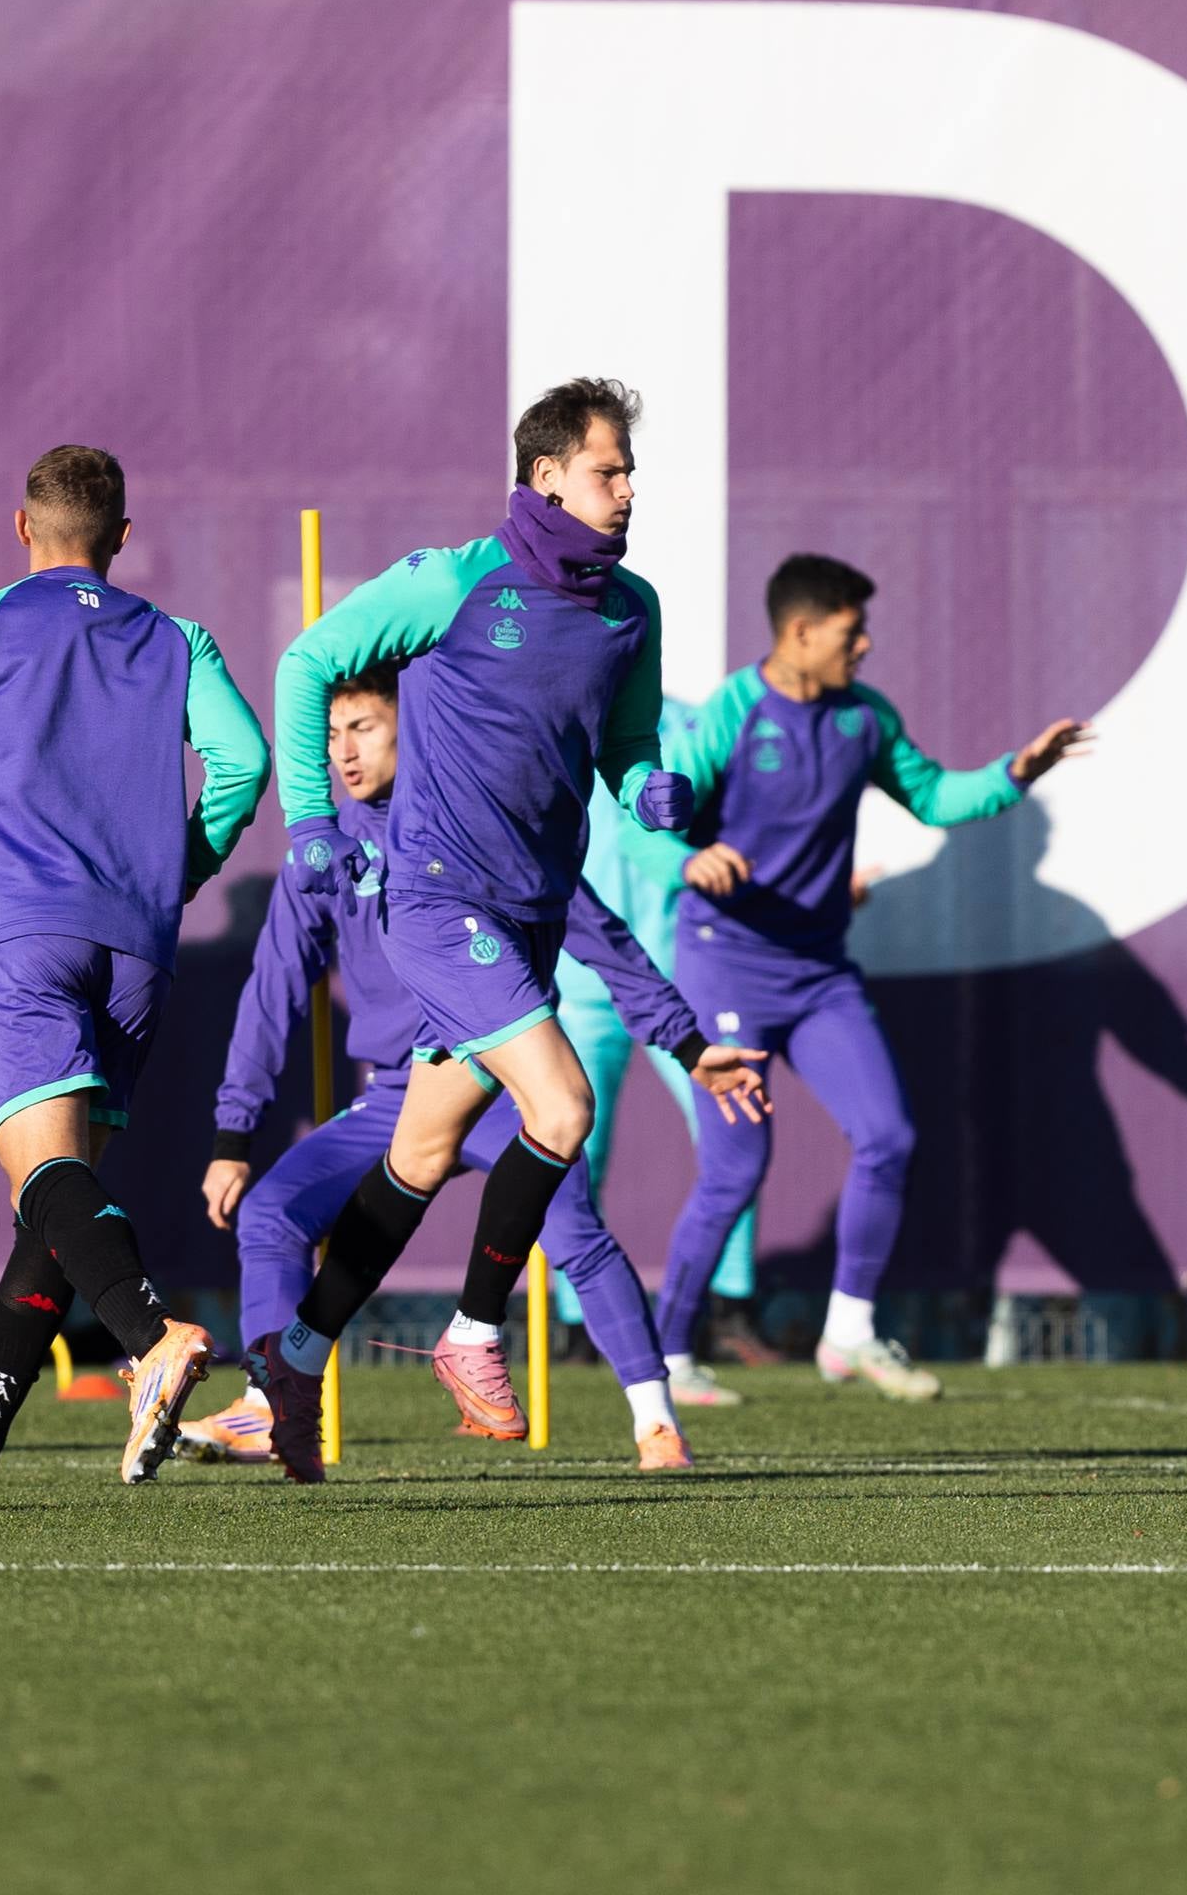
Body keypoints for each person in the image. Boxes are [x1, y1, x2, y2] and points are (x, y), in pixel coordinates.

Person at [254, 378, 701, 1481]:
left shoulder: (631, 608)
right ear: (546, 477)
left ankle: (295, 1359)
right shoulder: (455, 580)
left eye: (629, 470)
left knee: (418, 1153)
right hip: (439, 902)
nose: (628, 489)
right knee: (564, 1107)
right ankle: (471, 1334)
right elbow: (306, 663)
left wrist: (646, 789)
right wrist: (309, 818)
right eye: (607, 470)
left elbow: (626, 746)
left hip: (532, 912)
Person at [186, 665, 762, 1475]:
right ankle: (266, 1405)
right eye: (332, 734)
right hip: (397, 1094)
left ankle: (656, 1423)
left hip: (497, 1084)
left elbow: (604, 939)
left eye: (364, 729)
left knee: (575, 1231)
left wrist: (687, 1043)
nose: (343, 752)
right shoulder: (324, 851)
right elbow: (272, 992)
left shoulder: (485, 831)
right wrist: (233, 1135)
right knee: (272, 1213)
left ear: (413, 727)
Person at [0, 444, 272, 1501]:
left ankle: (151, 1339)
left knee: (48, 1183)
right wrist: (184, 865)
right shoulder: (178, 638)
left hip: (28, 933)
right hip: (137, 948)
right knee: (54, 1207)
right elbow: (243, 762)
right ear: (121, 537)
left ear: (21, 527)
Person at [652, 553, 1089, 1403]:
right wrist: (686, 856)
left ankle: (847, 1334)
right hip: (726, 966)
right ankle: (667, 1357)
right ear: (800, 632)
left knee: (888, 1137)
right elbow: (657, 812)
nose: (866, 645)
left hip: (820, 973)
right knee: (736, 1169)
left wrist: (1017, 772)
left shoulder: (865, 717)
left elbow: (936, 797)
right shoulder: (732, 713)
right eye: (852, 632)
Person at [551, 694, 762, 1405]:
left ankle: (728, 1310)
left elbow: (747, 821)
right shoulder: (550, 712)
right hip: (578, 978)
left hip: (680, 979)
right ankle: (578, 1326)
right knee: (572, 1154)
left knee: (732, 1130)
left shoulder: (691, 725)